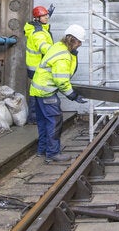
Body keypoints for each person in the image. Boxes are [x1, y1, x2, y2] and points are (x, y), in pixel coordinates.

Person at [30, 24, 89, 163]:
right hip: (47, 92)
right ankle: (53, 153)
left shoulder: (58, 46)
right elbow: (61, 80)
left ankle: (42, 150)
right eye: (79, 42)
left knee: (44, 122)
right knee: (54, 122)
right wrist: (73, 95)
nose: (80, 45)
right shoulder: (64, 56)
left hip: (38, 91)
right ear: (73, 40)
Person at [23, 4, 54, 124]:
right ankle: (33, 117)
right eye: (44, 16)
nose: (46, 17)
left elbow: (44, 27)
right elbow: (43, 46)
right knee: (37, 93)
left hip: (36, 66)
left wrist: (47, 13)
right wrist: (56, 52)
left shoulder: (37, 27)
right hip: (37, 68)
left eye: (47, 15)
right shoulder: (37, 33)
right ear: (37, 19)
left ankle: (36, 116)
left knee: (36, 92)